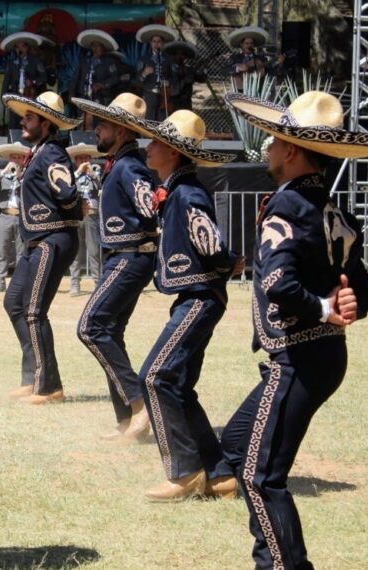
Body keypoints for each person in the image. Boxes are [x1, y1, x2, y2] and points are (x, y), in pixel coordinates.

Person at [213, 90, 368, 568]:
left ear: (291, 150)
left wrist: (321, 307)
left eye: (272, 142)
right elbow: (363, 294)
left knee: (259, 476)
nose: (266, 149)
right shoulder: (334, 210)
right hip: (322, 354)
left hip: (298, 357)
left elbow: (278, 284)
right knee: (234, 445)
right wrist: (344, 305)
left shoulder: (287, 206)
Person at [133, 110, 240, 501]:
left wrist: (229, 260)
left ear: (175, 154)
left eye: (156, 142)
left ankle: (184, 472)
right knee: (177, 384)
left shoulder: (187, 193)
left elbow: (210, 242)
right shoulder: (179, 190)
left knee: (154, 376)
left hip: (199, 296)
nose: (148, 147)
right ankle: (219, 474)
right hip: (197, 295)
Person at [70, 93, 158, 440]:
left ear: (121, 131)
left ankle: (139, 407)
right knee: (109, 332)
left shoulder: (130, 166)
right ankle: (126, 421)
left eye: (103, 125)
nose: (95, 131)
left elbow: (150, 209)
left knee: (90, 328)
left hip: (130, 255)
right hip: (121, 256)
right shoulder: (118, 163)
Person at [1, 91, 84, 405]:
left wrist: (76, 210)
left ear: (46, 124)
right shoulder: (38, 151)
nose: (23, 120)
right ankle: (33, 376)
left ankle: (49, 387)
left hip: (52, 239)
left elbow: (67, 192)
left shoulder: (52, 154)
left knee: (34, 312)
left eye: (30, 117)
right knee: (14, 304)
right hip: (36, 241)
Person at [0, 141, 28, 293]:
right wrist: (4, 171)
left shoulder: (27, 175)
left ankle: (19, 283)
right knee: (2, 250)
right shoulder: (3, 174)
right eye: (13, 157)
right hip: (5, 216)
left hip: (21, 217)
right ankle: (0, 281)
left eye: (19, 157)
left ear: (23, 159)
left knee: (21, 252)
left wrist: (20, 177)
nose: (16, 160)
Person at [66, 142, 104, 295]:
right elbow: (67, 187)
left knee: (94, 250)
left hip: (92, 214)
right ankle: (75, 283)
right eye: (80, 158)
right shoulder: (70, 174)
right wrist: (78, 173)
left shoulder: (96, 172)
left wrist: (92, 174)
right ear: (76, 161)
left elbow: (102, 186)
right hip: (76, 215)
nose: (83, 161)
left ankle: (97, 283)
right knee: (75, 250)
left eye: (86, 158)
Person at [0, 32, 47, 129]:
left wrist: (33, 82)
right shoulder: (11, 64)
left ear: (27, 47)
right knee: (14, 123)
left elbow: (44, 78)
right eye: (17, 47)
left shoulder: (35, 61)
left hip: (30, 97)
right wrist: (4, 98)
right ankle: (13, 142)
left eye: (23, 46)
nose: (20, 49)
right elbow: (6, 82)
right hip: (15, 97)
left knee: (29, 121)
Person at [135, 24, 179, 121]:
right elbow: (137, 80)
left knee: (163, 119)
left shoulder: (169, 59)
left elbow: (175, 77)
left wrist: (169, 82)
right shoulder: (144, 59)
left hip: (164, 94)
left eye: (159, 41)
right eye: (154, 41)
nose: (156, 44)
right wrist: (144, 74)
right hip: (149, 93)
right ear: (150, 43)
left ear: (162, 43)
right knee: (149, 120)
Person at [71, 30, 121, 105]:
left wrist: (101, 84)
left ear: (103, 48)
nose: (96, 48)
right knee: (82, 116)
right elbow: (75, 78)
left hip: (101, 98)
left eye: (99, 46)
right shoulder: (84, 62)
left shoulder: (109, 62)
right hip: (83, 97)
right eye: (94, 46)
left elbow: (115, 78)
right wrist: (71, 93)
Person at [162, 41, 203, 112]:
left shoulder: (189, 69)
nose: (180, 56)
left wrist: (203, 70)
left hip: (185, 102)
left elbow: (201, 79)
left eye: (183, 55)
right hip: (171, 101)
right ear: (173, 55)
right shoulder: (167, 68)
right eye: (178, 54)